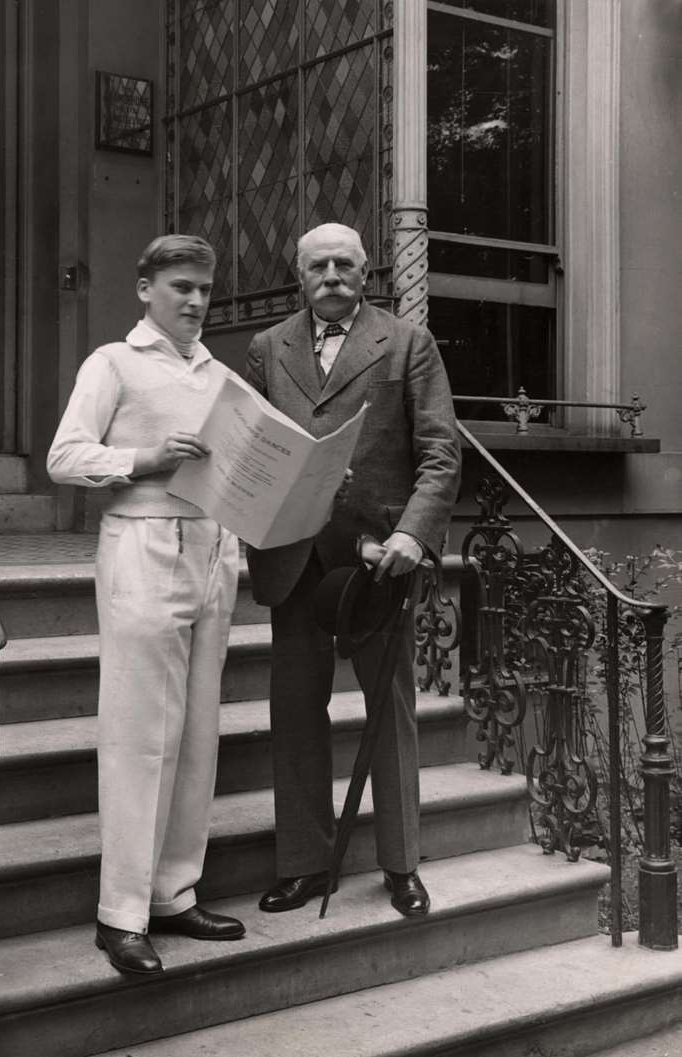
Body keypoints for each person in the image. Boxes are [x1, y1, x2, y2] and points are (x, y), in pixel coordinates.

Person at [245, 222, 461, 917]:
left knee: (389, 712)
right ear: (300, 276)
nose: (332, 275)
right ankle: (306, 862)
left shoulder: (407, 343)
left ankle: (401, 865)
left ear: (366, 273)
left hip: (379, 559)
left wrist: (412, 536)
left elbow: (441, 453)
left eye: (345, 264)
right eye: (318, 266)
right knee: (295, 711)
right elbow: (252, 450)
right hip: (295, 555)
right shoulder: (265, 348)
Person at [47, 234, 246, 976]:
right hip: (140, 544)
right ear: (145, 289)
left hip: (213, 549)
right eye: (180, 287)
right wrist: (143, 459)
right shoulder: (113, 362)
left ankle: (173, 891)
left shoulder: (218, 372)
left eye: (203, 289)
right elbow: (64, 456)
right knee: (140, 732)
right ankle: (120, 914)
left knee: (197, 731)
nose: (194, 301)